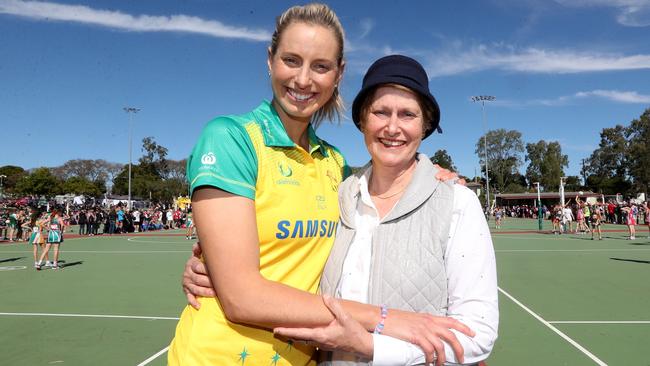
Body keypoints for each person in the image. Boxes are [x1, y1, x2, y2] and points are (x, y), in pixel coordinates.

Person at [168, 5, 474, 366]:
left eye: (320, 66)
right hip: (217, 356)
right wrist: (388, 318)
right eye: (291, 60)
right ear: (270, 60)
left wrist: (427, 172)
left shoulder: (336, 165)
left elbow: (385, 186)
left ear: (338, 74)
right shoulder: (231, 138)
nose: (302, 79)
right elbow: (241, 298)